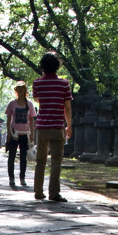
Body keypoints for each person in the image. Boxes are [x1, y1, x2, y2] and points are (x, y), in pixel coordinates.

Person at [32, 52, 72, 201]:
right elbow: (67, 107)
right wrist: (69, 125)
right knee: (56, 159)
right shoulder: (64, 84)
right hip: (57, 126)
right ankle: (54, 192)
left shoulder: (37, 83)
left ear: (43, 66)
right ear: (57, 66)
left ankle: (38, 191)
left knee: (40, 160)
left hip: (42, 126)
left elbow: (37, 99)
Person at [5, 81, 36, 189]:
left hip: (25, 134)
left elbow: (32, 120)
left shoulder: (30, 104)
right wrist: (9, 132)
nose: (20, 90)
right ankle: (11, 178)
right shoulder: (12, 103)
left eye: (22, 88)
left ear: (25, 90)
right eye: (18, 89)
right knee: (12, 156)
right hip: (14, 133)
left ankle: (22, 178)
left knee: (23, 157)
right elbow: (9, 119)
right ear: (16, 91)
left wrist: (32, 133)